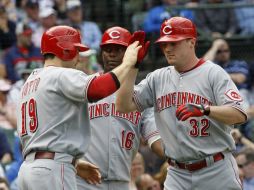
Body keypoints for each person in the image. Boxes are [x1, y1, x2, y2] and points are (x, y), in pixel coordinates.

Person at [116, 17, 247, 190]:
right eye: (164, 44)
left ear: (191, 42)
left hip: (215, 168)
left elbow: (239, 114)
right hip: (177, 173)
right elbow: (123, 106)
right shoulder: (157, 78)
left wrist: (205, 109)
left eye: (174, 43)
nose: (167, 49)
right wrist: (132, 66)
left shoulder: (212, 73)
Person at [16, 25, 145, 190]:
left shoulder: (31, 81)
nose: (78, 57)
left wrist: (74, 162)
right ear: (65, 50)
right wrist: (128, 63)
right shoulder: (61, 74)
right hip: (53, 170)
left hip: (29, 170)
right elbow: (98, 89)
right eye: (76, 50)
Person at [76, 26, 164, 190]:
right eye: (107, 49)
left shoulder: (140, 97)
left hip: (122, 182)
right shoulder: (85, 87)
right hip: (85, 182)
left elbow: (157, 143)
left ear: (131, 53)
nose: (111, 53)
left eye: (118, 49)